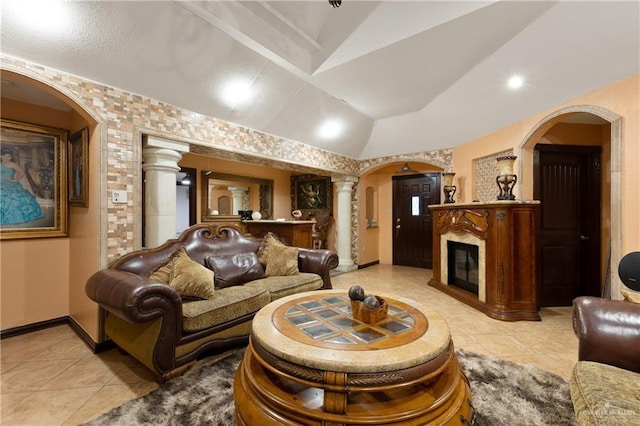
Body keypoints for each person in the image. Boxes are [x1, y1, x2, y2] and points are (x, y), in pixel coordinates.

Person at [1, 148, 44, 225]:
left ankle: (15, 218)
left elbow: (21, 172)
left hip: (10, 184)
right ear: (1, 156)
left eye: (9, 156)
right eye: (7, 156)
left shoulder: (12, 164)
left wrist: (15, 180)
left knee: (13, 200)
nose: (8, 158)